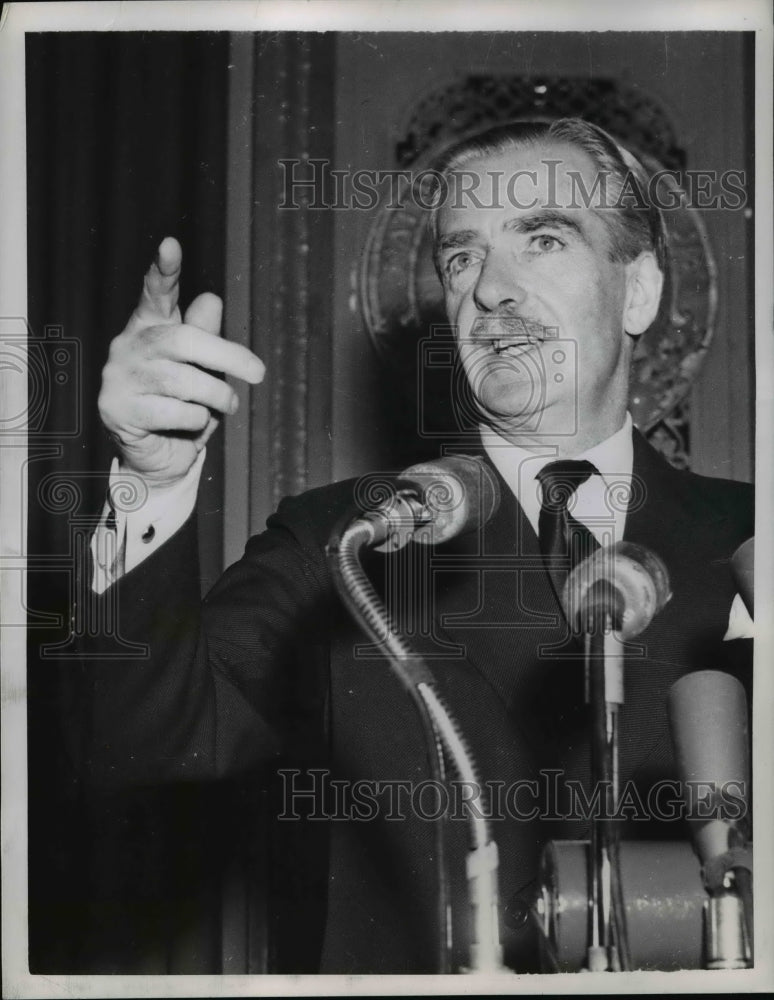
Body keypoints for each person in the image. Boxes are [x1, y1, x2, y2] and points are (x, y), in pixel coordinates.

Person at [74, 118, 753, 973]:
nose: (492, 291)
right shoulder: (344, 539)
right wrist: (150, 480)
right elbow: (148, 743)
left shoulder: (751, 539)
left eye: (542, 238)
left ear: (641, 290)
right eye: (462, 257)